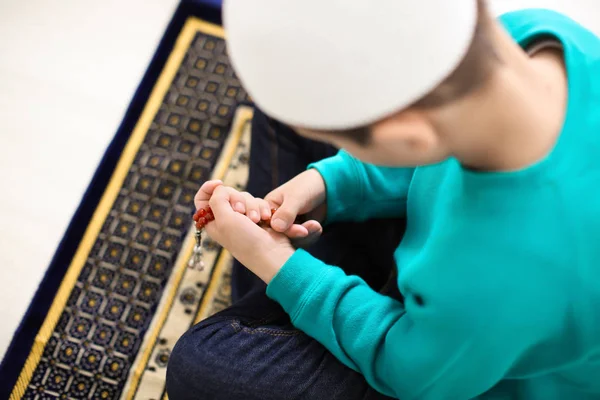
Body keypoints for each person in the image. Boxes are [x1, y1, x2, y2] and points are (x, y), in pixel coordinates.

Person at [167, 0, 600, 399]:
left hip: (451, 359)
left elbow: (408, 371)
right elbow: (439, 143)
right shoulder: (541, 34)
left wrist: (277, 264)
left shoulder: (499, 277)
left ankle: (277, 292)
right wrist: (332, 183)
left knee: (198, 365)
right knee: (283, 110)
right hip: (453, 283)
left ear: (407, 140)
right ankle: (285, 295)